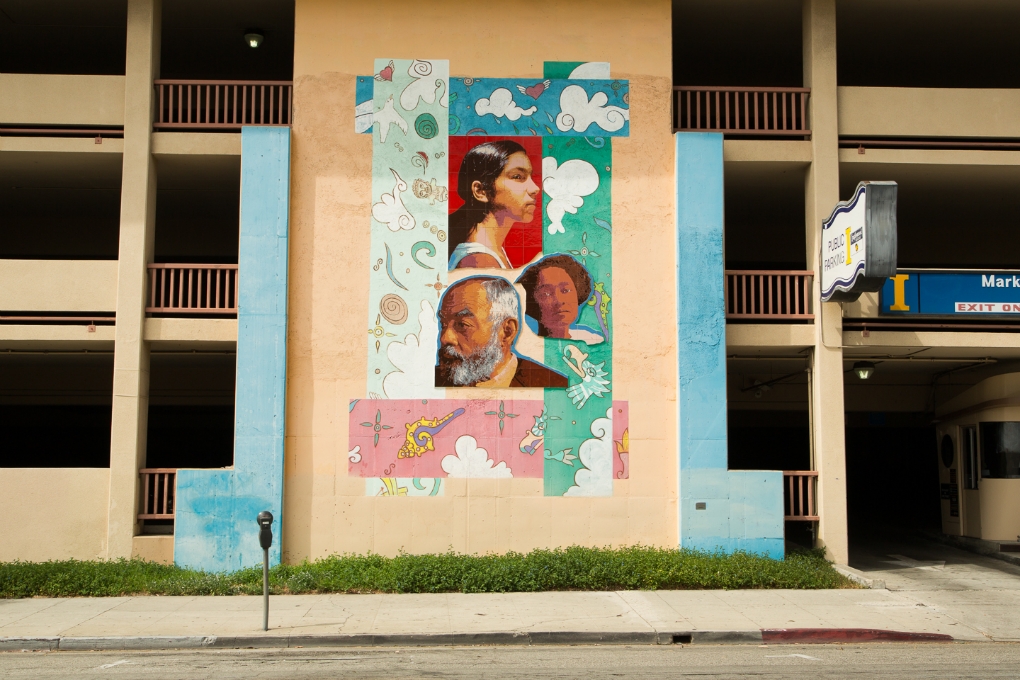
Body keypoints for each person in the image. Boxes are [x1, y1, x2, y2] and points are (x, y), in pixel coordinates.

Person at [435, 276, 568, 388]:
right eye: (443, 324)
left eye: (462, 325)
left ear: (507, 332)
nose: (445, 338)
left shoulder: (553, 387)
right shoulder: (428, 382)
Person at [448, 140, 541, 270]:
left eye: (530, 176)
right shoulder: (478, 261)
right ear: (481, 191)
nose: (535, 188)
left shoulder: (492, 252)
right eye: (517, 176)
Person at [516, 254, 603, 343]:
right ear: (532, 301)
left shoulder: (591, 341)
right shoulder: (527, 347)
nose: (559, 301)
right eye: (546, 293)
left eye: (566, 290)